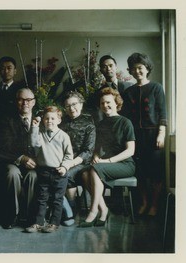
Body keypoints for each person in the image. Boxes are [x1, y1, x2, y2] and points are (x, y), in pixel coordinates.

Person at [79, 87, 135, 227]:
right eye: (102, 103)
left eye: (109, 102)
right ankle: (103, 209)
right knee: (85, 173)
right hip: (106, 164)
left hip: (125, 165)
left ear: (117, 103)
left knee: (94, 170)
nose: (105, 105)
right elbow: (97, 149)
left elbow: (130, 151)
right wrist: (96, 156)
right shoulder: (101, 124)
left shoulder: (125, 122)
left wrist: (107, 161)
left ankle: (93, 211)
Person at [122, 52, 167, 217]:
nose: (137, 72)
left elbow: (163, 113)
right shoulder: (128, 91)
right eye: (133, 69)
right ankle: (144, 202)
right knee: (139, 172)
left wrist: (161, 134)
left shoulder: (156, 87)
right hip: (134, 137)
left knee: (155, 173)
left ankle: (154, 205)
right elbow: (125, 117)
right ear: (130, 72)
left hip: (153, 135)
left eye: (140, 68)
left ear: (147, 68)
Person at [0, 88, 38, 229]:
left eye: (28, 100)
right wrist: (21, 158)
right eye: (21, 99)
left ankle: (30, 217)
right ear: (16, 101)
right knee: (12, 174)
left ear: (34, 102)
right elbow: (1, 148)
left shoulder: (42, 120)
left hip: (35, 164)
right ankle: (12, 215)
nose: (25, 103)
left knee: (33, 176)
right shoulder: (6, 120)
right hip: (12, 162)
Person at [25, 106, 74, 233]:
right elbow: (34, 144)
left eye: (53, 118)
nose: (49, 121)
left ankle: (54, 223)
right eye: (46, 118)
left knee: (58, 199)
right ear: (43, 121)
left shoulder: (64, 136)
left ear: (59, 120)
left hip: (59, 172)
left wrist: (64, 167)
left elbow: (69, 155)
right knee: (41, 198)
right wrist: (34, 127)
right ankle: (38, 223)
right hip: (44, 172)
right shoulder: (40, 135)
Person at [59, 91, 96, 223]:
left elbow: (88, 150)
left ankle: (71, 208)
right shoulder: (61, 122)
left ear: (81, 104)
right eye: (67, 106)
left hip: (82, 162)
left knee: (66, 174)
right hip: (63, 160)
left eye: (74, 104)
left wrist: (71, 163)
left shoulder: (89, 124)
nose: (71, 108)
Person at [87, 55, 133, 125]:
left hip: (130, 124)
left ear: (116, 67)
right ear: (101, 70)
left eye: (111, 65)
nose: (108, 69)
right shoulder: (98, 93)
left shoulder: (129, 86)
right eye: (104, 67)